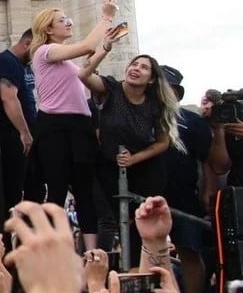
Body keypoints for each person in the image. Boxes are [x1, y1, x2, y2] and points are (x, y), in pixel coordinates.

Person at [28, 0, 119, 250]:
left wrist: (107, 46)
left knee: (85, 190)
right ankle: (53, 250)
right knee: (57, 188)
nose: (68, 23)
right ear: (48, 28)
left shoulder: (65, 60)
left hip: (80, 125)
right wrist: (107, 17)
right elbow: (88, 46)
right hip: (55, 126)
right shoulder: (45, 52)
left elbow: (85, 69)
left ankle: (91, 254)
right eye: (62, 20)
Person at [77, 43, 183, 249]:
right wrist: (104, 50)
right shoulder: (111, 88)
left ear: (151, 79)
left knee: (139, 223)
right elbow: (83, 76)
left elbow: (163, 142)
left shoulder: (156, 104)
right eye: (134, 64)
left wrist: (134, 159)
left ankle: (139, 268)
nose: (136, 68)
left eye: (144, 67)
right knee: (110, 217)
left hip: (144, 168)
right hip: (108, 164)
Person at [157, 65, 213, 293]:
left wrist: (208, 191)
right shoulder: (136, 117)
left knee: (188, 250)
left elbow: (207, 160)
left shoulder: (192, 121)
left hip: (183, 195)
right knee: (150, 253)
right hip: (146, 193)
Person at [0, 28, 37, 211]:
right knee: (12, 192)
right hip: (14, 137)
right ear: (27, 43)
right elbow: (8, 97)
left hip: (27, 138)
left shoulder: (25, 65)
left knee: (35, 189)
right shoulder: (6, 61)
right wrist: (24, 132)